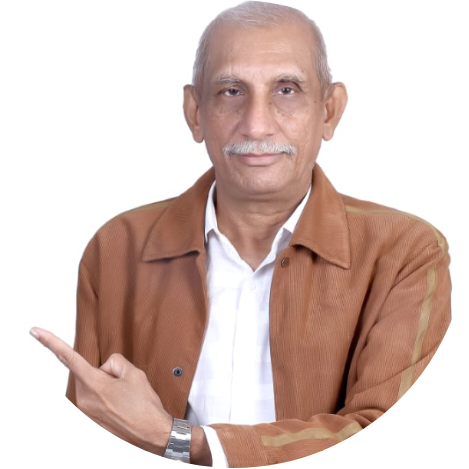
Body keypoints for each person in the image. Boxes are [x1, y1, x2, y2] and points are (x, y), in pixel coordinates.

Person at [30, 1, 451, 467]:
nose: (256, 124)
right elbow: (100, 414)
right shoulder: (117, 247)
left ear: (329, 111)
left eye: (286, 90)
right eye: (231, 91)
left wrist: (179, 440)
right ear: (195, 112)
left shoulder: (405, 251)